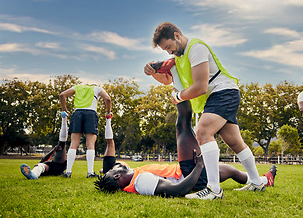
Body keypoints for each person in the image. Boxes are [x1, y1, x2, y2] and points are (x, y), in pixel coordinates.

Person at [144, 21, 266, 200]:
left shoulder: (196, 48)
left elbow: (200, 87)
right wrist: (151, 71)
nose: (169, 52)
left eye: (169, 47)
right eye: (166, 50)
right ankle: (257, 183)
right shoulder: (179, 56)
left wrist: (178, 97)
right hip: (218, 96)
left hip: (224, 92)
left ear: (177, 36)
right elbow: (166, 80)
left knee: (202, 131)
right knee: (234, 142)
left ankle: (214, 190)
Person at [95, 95, 277, 197]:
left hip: (190, 171)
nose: (114, 167)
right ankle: (179, 82)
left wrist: (107, 171)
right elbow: (178, 190)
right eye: (112, 170)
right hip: (189, 172)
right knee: (182, 126)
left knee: (230, 171)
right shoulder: (141, 182)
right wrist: (198, 166)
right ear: (118, 175)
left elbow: (115, 163)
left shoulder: (131, 173)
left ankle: (262, 181)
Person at [59, 84, 111, 178]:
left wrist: (65, 110)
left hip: (77, 113)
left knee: (73, 144)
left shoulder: (77, 87)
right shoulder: (97, 88)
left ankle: (68, 172)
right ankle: (90, 172)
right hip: (91, 115)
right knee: (90, 145)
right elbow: (108, 99)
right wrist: (108, 112)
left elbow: (62, 95)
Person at [20, 113, 68, 179]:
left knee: (40, 165)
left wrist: (53, 151)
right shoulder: (49, 164)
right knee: (61, 144)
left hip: (54, 167)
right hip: (57, 167)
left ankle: (34, 174)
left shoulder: (47, 163)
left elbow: (44, 159)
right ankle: (34, 174)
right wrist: (53, 151)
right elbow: (44, 159)